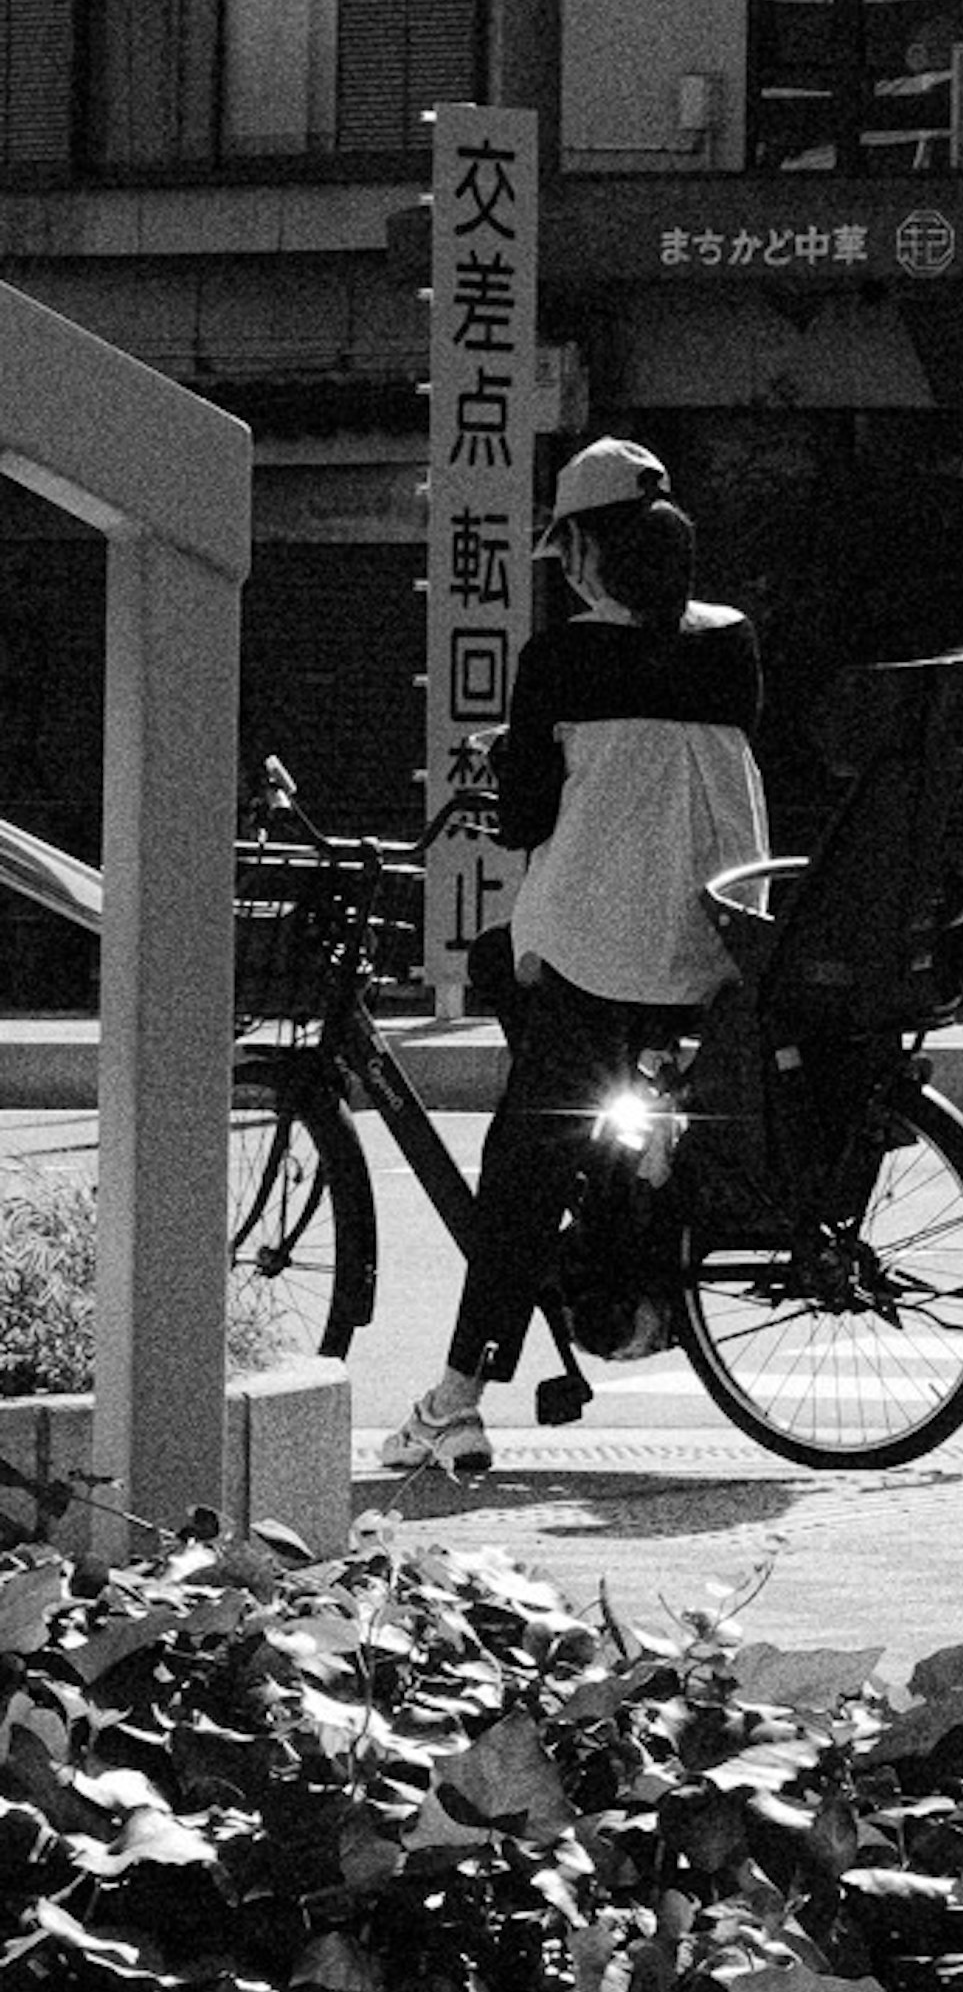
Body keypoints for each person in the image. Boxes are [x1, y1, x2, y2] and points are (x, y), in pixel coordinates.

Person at [384, 438, 768, 1485]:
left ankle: (456, 1401)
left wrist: (515, 753)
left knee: (521, 1154)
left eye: (567, 550)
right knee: (521, 982)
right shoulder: (733, 644)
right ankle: (625, 1169)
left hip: (601, 953)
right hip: (718, 945)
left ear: (594, 552)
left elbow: (521, 821)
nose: (561, 568)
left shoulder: (560, 658)